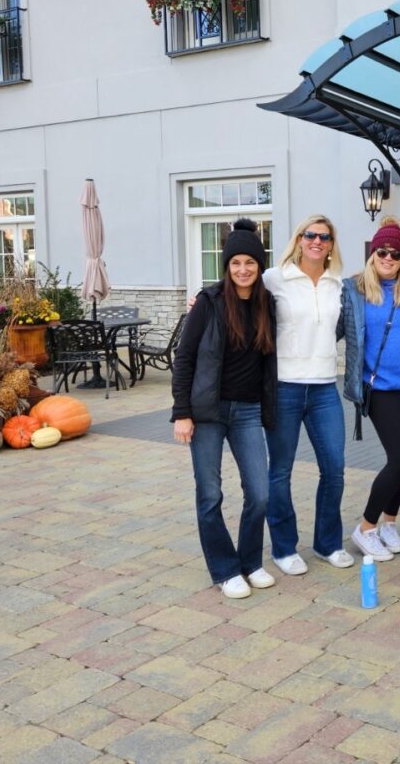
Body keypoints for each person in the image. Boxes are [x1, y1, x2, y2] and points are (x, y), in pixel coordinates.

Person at [171, 219, 278, 599]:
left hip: (248, 411)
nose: (243, 270)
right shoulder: (209, 302)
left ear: (259, 266)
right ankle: (224, 569)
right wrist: (181, 411)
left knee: (260, 493)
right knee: (210, 493)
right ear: (227, 266)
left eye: (250, 262)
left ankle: (250, 562)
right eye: (236, 263)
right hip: (208, 413)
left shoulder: (268, 305)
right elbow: (183, 359)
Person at [262, 215, 353, 576]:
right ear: (299, 239)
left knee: (335, 469)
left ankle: (327, 542)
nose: (317, 241)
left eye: (324, 237)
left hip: (324, 388)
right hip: (284, 386)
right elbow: (235, 295)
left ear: (331, 244)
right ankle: (283, 548)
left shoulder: (338, 284)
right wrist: (202, 302)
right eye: (310, 235)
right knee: (279, 471)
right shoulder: (274, 278)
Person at [339, 217, 400, 561]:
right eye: (382, 251)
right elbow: (326, 326)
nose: (388, 257)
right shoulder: (354, 291)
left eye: (395, 253)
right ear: (372, 253)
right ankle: (366, 527)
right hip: (381, 389)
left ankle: (390, 522)